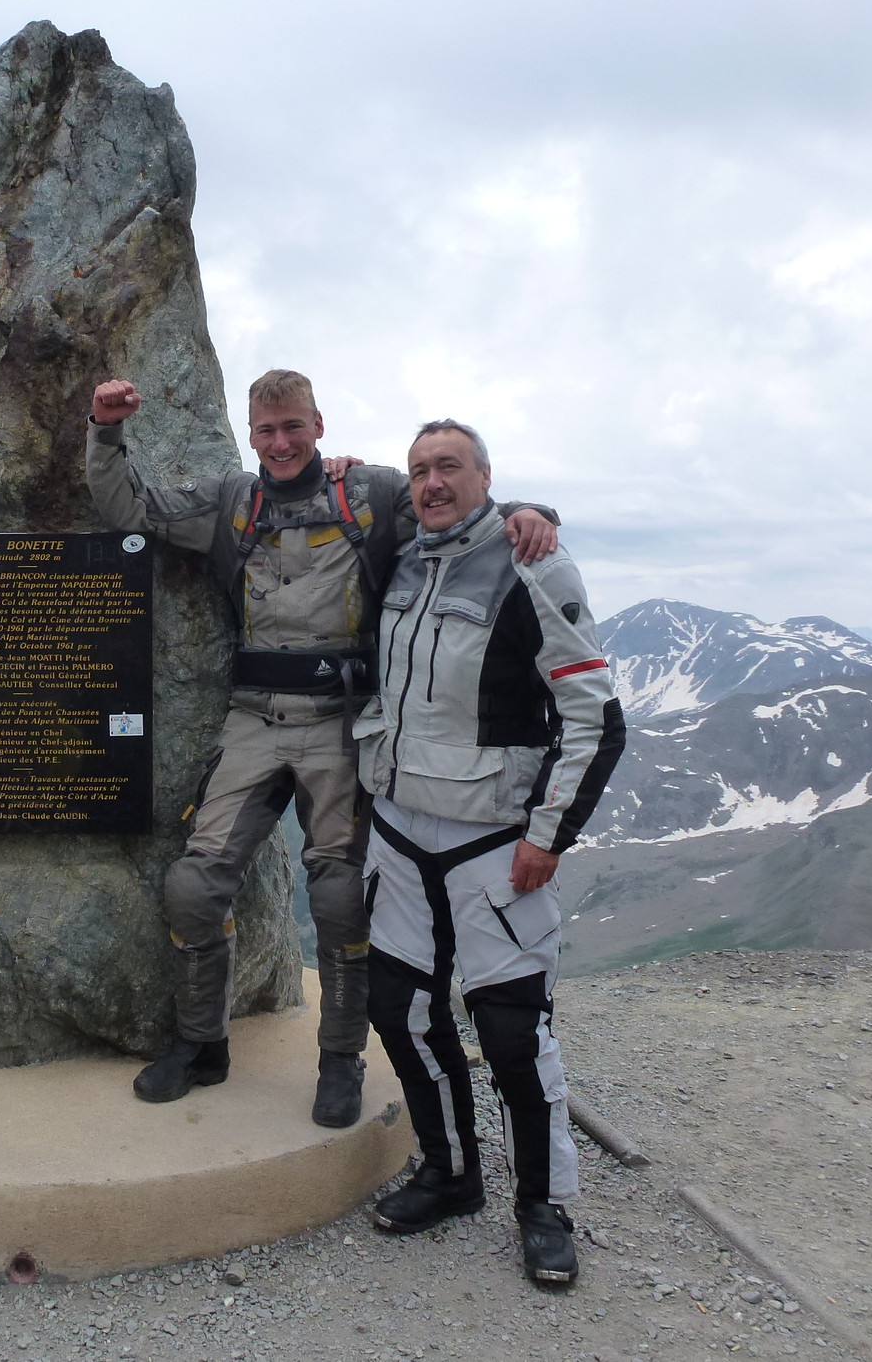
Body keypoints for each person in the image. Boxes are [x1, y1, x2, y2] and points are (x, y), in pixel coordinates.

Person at [84, 371, 558, 1126]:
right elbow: (128, 508)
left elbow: (456, 510)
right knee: (194, 885)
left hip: (341, 720)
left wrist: (532, 512)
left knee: (341, 897)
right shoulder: (231, 501)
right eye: (266, 429)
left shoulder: (368, 492)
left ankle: (341, 1057)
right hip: (252, 717)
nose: (280, 443)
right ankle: (201, 1043)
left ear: (319, 425)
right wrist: (105, 432)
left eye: (293, 427)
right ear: (251, 432)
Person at [356, 419, 624, 1284]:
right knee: (401, 1010)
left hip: (492, 843)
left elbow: (595, 719)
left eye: (450, 467)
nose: (433, 483)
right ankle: (450, 1171)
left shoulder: (533, 563)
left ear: (486, 477)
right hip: (398, 832)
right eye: (420, 470)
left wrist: (549, 838)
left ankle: (543, 1205)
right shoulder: (399, 555)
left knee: (512, 1030)